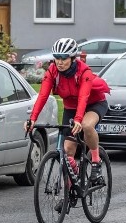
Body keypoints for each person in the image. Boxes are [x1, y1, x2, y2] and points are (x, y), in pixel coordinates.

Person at [26, 37, 110, 185]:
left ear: (72, 58)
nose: (59, 62)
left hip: (94, 103)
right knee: (68, 152)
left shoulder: (84, 72)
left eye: (64, 58)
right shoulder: (52, 72)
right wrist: (32, 119)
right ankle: (69, 191)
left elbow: (83, 97)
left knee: (86, 125)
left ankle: (96, 162)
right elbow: (43, 96)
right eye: (57, 58)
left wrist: (78, 119)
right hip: (71, 107)